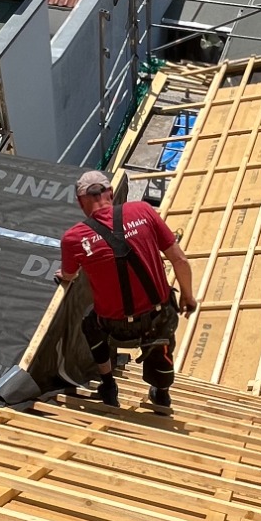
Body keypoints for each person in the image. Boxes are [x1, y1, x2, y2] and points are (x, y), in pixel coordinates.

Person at [57, 171, 196, 412]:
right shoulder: (143, 211)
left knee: (90, 324)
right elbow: (180, 260)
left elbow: (68, 275)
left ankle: (108, 384)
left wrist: (67, 273)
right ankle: (161, 393)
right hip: (156, 316)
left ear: (81, 202)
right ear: (110, 193)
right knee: (163, 335)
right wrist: (188, 296)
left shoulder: (73, 239)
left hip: (115, 325)